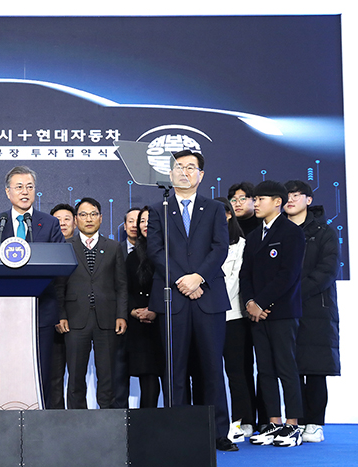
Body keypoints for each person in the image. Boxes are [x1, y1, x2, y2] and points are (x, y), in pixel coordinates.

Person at [147, 149, 236, 452]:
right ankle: (177, 430)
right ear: (169, 174)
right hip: (173, 300)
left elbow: (220, 248)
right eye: (178, 167)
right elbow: (156, 251)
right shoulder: (157, 209)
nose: (184, 172)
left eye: (191, 167)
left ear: (201, 175)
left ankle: (217, 433)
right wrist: (181, 281)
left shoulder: (213, 209)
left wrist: (198, 277)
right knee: (174, 369)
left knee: (212, 367)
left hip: (208, 296)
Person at [0, 166, 64, 407]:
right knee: (7, 369)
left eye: (29, 187)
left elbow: (60, 261)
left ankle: (41, 421)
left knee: (41, 370)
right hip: (3, 310)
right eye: (19, 187)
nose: (25, 192)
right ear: (8, 192)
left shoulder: (49, 223)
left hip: (41, 309)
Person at [240, 180, 305, 448]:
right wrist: (250, 304)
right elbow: (245, 275)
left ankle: (293, 425)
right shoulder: (254, 235)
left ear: (277, 201)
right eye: (254, 199)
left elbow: (288, 275)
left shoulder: (291, 232)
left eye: (260, 199)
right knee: (264, 370)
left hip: (282, 312)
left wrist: (263, 303)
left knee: (286, 368)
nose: (255, 203)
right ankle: (273, 422)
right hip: (257, 314)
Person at [55, 197, 127, 409]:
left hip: (107, 319)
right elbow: (59, 286)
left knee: (107, 376)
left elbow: (122, 285)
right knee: (76, 376)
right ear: (76, 220)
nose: (89, 219)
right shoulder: (66, 247)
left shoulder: (114, 247)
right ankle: (77, 422)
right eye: (84, 215)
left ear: (101, 218)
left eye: (93, 214)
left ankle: (107, 422)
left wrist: (121, 315)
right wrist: (61, 314)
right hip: (75, 319)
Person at [284, 180, 340, 443]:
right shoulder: (278, 230)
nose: (291, 200)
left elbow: (327, 270)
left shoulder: (324, 231)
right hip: (284, 309)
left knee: (315, 369)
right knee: (289, 367)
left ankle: (315, 423)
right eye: (287, 196)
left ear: (308, 199)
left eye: (297, 195)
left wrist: (294, 292)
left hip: (315, 307)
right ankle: (295, 421)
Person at [214, 197, 255, 442]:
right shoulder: (203, 245)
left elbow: (236, 281)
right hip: (207, 317)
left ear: (229, 215)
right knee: (209, 373)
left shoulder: (242, 245)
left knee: (237, 372)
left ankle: (243, 422)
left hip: (234, 317)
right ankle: (213, 421)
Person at [124, 206, 164, 408]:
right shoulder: (132, 257)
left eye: (150, 220)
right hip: (140, 325)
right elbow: (124, 288)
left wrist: (155, 309)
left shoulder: (170, 252)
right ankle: (147, 426)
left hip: (165, 321)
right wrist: (133, 311)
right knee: (147, 377)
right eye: (142, 221)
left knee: (170, 375)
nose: (145, 225)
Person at [47, 203, 76, 409]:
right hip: (53, 319)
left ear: (75, 222)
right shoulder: (47, 251)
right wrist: (58, 314)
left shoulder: (83, 247)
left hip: (81, 320)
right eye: (57, 219)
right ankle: (55, 418)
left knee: (77, 375)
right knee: (54, 375)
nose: (62, 223)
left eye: (67, 218)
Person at [112, 206, 141, 409]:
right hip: (121, 317)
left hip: (148, 319)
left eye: (139, 220)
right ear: (124, 225)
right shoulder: (115, 250)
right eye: (130, 221)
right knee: (118, 370)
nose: (135, 225)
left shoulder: (158, 251)